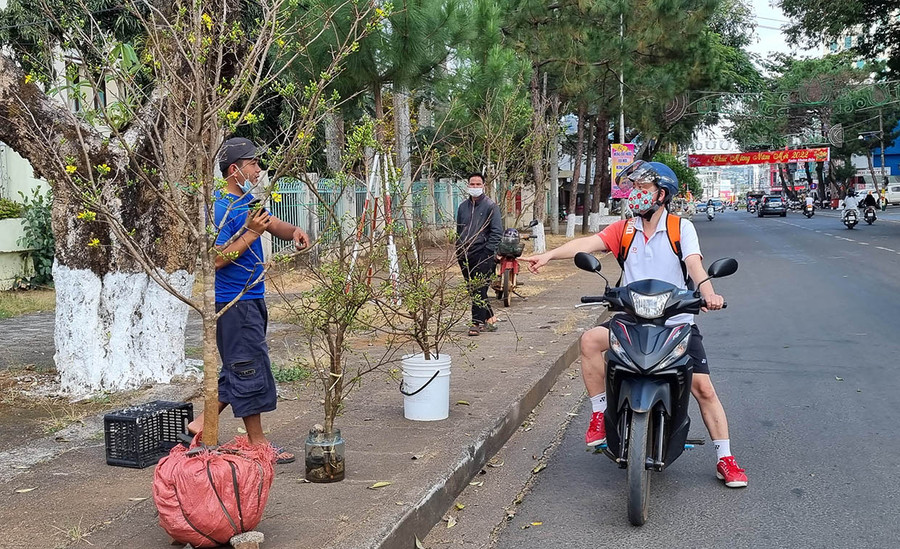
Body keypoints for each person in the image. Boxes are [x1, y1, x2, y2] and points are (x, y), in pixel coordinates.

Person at [521, 160, 748, 488]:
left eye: (643, 189)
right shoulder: (624, 229)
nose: (636, 196)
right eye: (634, 189)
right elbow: (586, 245)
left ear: (661, 195)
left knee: (703, 388)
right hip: (632, 317)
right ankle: (600, 413)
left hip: (675, 320)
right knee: (589, 341)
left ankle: (725, 458)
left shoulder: (679, 228)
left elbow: (695, 266)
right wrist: (547, 256)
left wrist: (709, 293)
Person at [186, 137, 309, 464]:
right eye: (253, 163)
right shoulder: (221, 207)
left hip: (251, 297)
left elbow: (270, 223)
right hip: (234, 302)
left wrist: (293, 230)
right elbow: (215, 258)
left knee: (238, 366)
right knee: (248, 367)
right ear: (234, 169)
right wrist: (251, 234)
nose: (258, 169)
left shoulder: (246, 199)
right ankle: (257, 444)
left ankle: (199, 424)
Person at [456, 172, 503, 336]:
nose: (475, 187)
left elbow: (497, 232)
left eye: (478, 184)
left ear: (483, 186)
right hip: (464, 254)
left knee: (479, 288)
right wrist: (459, 248)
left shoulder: (491, 206)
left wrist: (489, 251)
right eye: (472, 184)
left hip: (484, 253)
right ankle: (489, 316)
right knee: (473, 288)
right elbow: (459, 229)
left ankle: (476, 323)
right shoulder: (462, 206)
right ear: (467, 185)